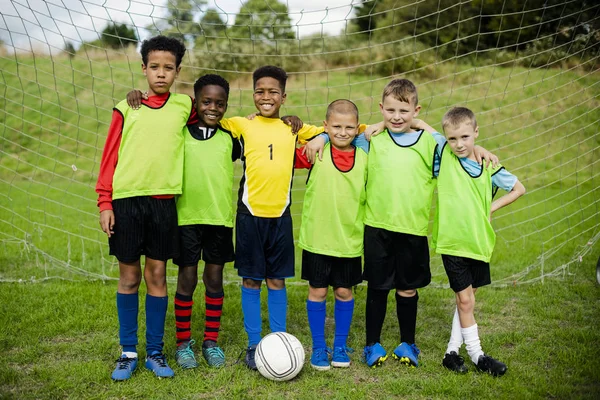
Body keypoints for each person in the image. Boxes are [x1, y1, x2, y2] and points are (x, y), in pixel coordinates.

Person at [304, 79, 498, 369]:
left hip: (413, 229)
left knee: (408, 289)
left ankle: (408, 343)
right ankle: (372, 343)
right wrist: (319, 136)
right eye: (390, 110)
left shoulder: (430, 144)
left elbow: (457, 144)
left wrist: (475, 146)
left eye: (404, 111)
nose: (396, 116)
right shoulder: (370, 140)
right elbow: (339, 135)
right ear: (381, 109)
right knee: (378, 287)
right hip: (377, 227)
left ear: (415, 110)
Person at [96, 35, 192, 381]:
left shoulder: (185, 106)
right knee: (129, 276)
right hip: (126, 202)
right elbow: (109, 158)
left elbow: (214, 117)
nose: (161, 74)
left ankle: (154, 351)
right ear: (143, 69)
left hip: (164, 202)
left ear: (178, 71)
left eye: (168, 68)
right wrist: (104, 201)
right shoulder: (126, 107)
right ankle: (128, 352)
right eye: (155, 67)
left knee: (155, 275)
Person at [217, 65, 325, 370]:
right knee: (251, 279)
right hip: (250, 215)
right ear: (253, 95)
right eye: (260, 92)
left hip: (281, 216)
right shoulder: (241, 124)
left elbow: (338, 127)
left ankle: (277, 338)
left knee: (277, 279)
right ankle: (254, 344)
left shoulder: (292, 128)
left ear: (284, 96)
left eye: (273, 92)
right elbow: (204, 115)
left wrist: (318, 136)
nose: (266, 97)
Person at [431, 107, 525, 376]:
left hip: (479, 242)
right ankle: (477, 355)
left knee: (467, 300)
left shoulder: (488, 166)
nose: (459, 144)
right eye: (452, 139)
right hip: (452, 242)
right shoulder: (444, 153)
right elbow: (420, 123)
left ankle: (451, 352)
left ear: (476, 132)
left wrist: (491, 207)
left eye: (465, 137)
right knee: (466, 300)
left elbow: (519, 188)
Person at [296, 100, 367, 371]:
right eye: (335, 126)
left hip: (348, 241)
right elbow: (285, 149)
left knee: (343, 291)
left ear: (357, 128)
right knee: (317, 291)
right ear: (325, 125)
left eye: (350, 127)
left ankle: (339, 345)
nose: (343, 132)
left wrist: (324, 135)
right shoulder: (316, 151)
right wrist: (317, 137)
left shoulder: (365, 156)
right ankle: (318, 347)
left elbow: (378, 130)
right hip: (317, 239)